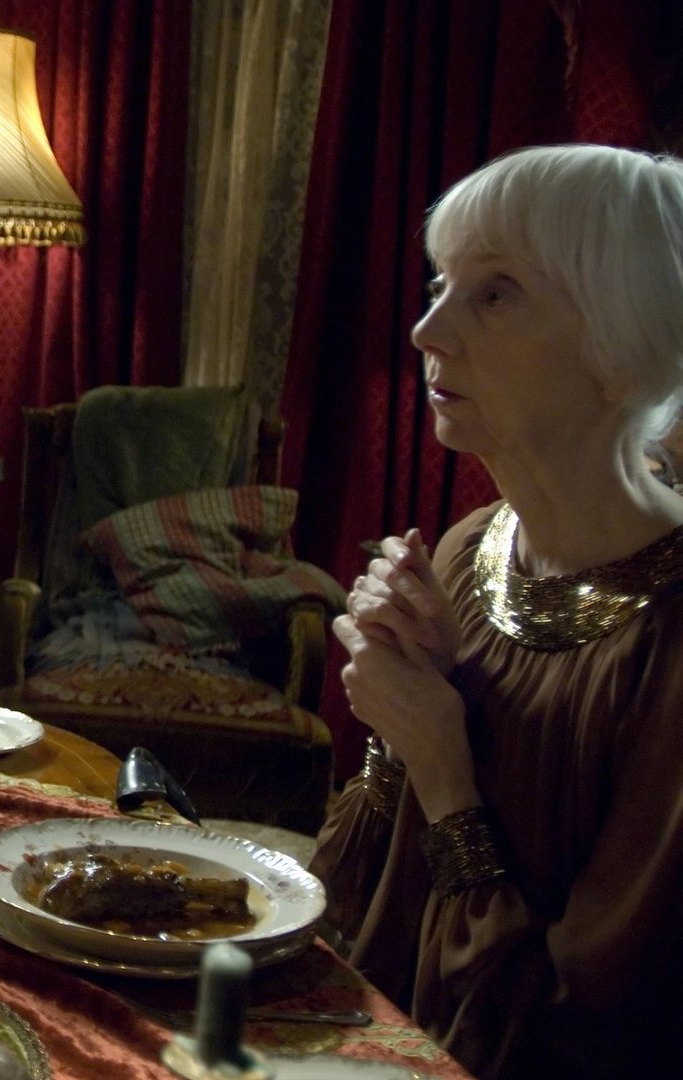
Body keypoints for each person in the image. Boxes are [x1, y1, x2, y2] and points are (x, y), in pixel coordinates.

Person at [312, 144, 683, 1079]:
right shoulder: (473, 547)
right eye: (441, 286)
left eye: (496, 294)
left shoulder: (670, 638)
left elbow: (576, 1038)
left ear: (625, 345)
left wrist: (442, 762)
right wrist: (396, 724)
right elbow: (368, 913)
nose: (425, 331)